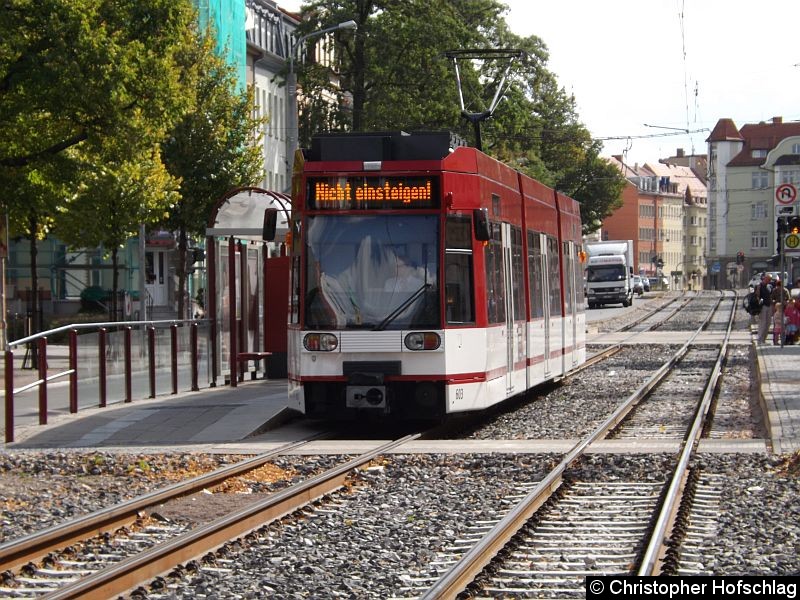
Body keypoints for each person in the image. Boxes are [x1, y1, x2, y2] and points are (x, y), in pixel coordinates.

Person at [756, 273, 774, 343]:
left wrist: (772, 305)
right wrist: (759, 306)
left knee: (768, 323)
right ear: (764, 278)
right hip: (762, 306)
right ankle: (759, 339)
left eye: (770, 279)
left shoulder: (770, 286)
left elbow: (771, 296)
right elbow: (757, 296)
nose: (769, 280)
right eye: (768, 279)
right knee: (762, 323)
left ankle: (764, 339)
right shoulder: (759, 286)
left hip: (769, 305)